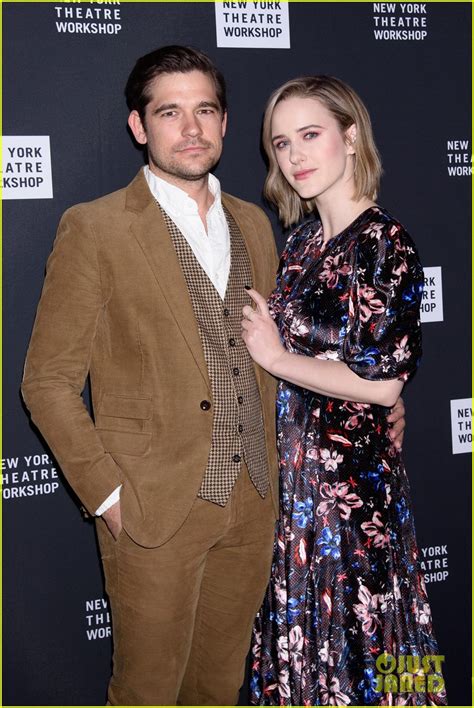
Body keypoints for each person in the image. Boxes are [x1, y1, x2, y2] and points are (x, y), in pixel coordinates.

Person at [21, 47, 406, 706]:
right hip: (152, 509)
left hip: (257, 506)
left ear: (225, 125)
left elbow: (288, 352)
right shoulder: (96, 228)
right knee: (145, 691)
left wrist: (377, 401)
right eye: (169, 112)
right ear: (140, 127)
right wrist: (110, 498)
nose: (190, 128)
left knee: (220, 689)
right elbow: (47, 380)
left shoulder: (256, 225)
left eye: (205, 110)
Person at [241, 76, 446, 706]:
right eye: (282, 143)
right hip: (292, 488)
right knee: (301, 656)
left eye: (311, 135)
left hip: (352, 500)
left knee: (375, 643)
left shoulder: (387, 245)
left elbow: (382, 386)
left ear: (351, 137)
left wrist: (276, 356)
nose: (295, 156)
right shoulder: (300, 244)